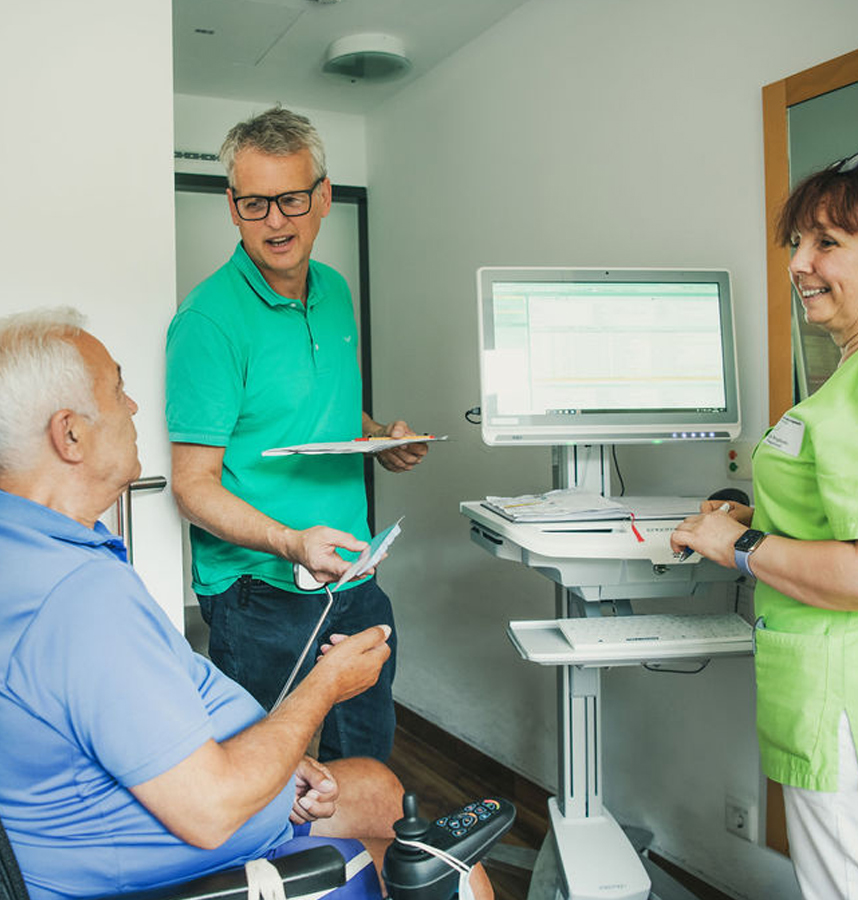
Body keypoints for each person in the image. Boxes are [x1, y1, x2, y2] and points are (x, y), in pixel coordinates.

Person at [0, 309, 494, 900]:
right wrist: (326, 684)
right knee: (450, 870)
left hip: (143, 808)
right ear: (70, 434)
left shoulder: (28, 548)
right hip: (173, 863)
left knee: (375, 784)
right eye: (118, 389)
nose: (133, 408)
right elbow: (209, 810)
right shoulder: (81, 597)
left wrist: (275, 757)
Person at [166, 106, 428, 763]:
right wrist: (291, 542)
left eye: (290, 199)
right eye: (255, 204)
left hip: (354, 574)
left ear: (324, 198)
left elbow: (333, 419)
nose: (276, 221)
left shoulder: (336, 292)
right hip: (259, 592)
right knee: (265, 782)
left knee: (364, 765)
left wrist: (381, 439)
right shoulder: (207, 321)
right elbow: (193, 486)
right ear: (232, 206)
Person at [671, 149, 858, 900]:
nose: (799, 263)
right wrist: (759, 514)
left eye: (828, 242)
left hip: (854, 710)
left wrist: (737, 544)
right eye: (797, 241)